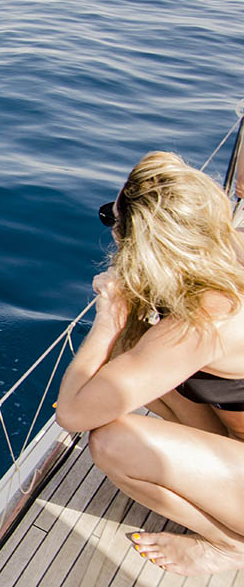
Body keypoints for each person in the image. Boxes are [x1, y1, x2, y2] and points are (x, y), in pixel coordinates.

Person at [55, 150, 244, 576]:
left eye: (114, 220)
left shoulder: (203, 322)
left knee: (112, 441)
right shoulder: (231, 255)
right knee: (136, 365)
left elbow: (72, 414)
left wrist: (108, 319)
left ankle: (230, 543)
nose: (112, 230)